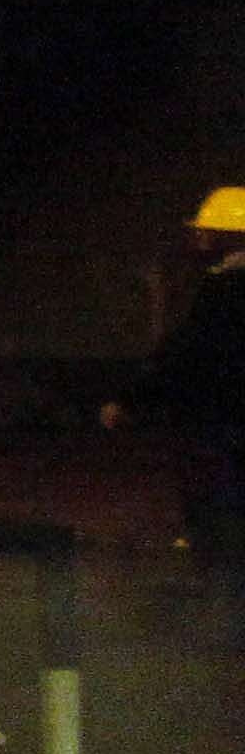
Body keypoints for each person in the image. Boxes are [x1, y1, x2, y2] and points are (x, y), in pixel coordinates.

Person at [113, 189, 245, 562]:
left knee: (216, 503)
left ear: (229, 235)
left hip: (219, 415)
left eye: (208, 229)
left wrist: (131, 397)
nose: (199, 236)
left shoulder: (223, 288)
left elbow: (185, 351)